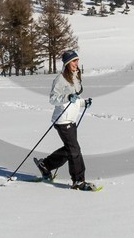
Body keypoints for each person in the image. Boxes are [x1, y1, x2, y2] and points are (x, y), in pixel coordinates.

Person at [35, 50, 97, 191]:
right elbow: (53, 99)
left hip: (72, 119)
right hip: (62, 120)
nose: (76, 64)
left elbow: (74, 98)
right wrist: (67, 98)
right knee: (75, 150)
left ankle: (45, 165)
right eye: (74, 61)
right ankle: (78, 181)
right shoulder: (60, 79)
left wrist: (82, 103)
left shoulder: (75, 77)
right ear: (67, 63)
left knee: (69, 149)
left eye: (77, 60)